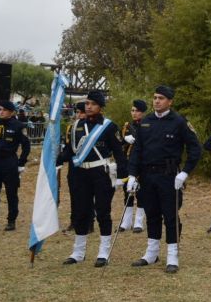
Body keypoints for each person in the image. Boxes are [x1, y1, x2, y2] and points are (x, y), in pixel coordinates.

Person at [127, 85, 201, 273]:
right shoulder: (146, 122)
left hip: (169, 176)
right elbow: (137, 151)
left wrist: (184, 172)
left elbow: (195, 149)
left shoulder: (179, 122)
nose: (157, 101)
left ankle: (172, 255)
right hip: (147, 176)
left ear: (170, 101)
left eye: (161, 98)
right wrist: (132, 175)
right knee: (151, 213)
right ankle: (151, 253)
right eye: (155, 97)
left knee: (170, 215)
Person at [58, 91, 128, 267]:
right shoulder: (76, 126)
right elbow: (70, 150)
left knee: (103, 211)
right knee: (81, 212)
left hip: (101, 173)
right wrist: (55, 160)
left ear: (100, 106)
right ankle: (78, 252)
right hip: (80, 174)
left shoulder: (109, 127)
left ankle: (103, 252)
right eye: (87, 103)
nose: (88, 106)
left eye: (93, 104)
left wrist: (122, 176)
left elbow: (119, 153)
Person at [0, 101, 30, 231]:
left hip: (9, 162)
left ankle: (11, 220)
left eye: (4, 110)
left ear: (11, 112)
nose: (1, 112)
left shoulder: (18, 125)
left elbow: (26, 146)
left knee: (11, 193)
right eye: (0, 109)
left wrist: (21, 163)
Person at [119, 99, 147, 233]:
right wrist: (124, 140)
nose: (134, 113)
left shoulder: (147, 126)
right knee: (127, 192)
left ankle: (139, 222)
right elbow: (118, 143)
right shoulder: (127, 127)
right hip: (128, 163)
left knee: (142, 193)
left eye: (137, 111)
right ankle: (126, 222)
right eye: (133, 110)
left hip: (143, 163)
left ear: (142, 112)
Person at [62, 102, 88, 233]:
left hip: (87, 167)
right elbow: (68, 149)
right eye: (77, 112)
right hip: (74, 167)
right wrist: (59, 158)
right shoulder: (72, 128)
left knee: (87, 196)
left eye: (81, 112)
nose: (79, 115)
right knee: (74, 195)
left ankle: (89, 222)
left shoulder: (92, 127)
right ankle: (74, 221)